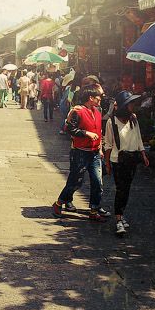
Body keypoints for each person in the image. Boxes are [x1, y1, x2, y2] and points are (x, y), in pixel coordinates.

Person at [52, 85, 111, 222]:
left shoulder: (97, 111)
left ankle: (94, 210)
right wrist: (86, 133)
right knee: (75, 181)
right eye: (98, 97)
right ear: (90, 98)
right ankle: (58, 203)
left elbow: (99, 131)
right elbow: (69, 129)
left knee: (97, 181)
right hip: (80, 153)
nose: (100, 99)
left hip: (95, 153)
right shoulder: (77, 111)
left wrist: (100, 148)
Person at [104, 92, 150, 236]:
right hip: (118, 160)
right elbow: (108, 145)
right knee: (120, 189)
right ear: (124, 105)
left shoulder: (133, 119)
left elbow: (138, 138)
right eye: (130, 104)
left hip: (132, 159)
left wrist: (143, 154)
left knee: (127, 188)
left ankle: (121, 214)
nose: (132, 106)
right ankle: (118, 219)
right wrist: (107, 164)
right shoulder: (111, 122)